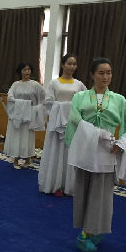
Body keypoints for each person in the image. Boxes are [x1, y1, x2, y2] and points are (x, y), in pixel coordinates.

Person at [65, 58, 126, 252]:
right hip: (86, 149)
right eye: (101, 73)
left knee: (102, 194)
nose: (106, 77)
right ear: (92, 75)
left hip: (107, 151)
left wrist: (122, 144)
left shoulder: (119, 100)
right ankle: (84, 233)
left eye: (109, 72)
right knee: (83, 189)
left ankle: (95, 229)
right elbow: (74, 119)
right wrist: (96, 134)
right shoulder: (80, 97)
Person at [38, 53, 87, 196]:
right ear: (63, 65)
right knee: (56, 152)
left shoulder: (79, 84)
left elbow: (84, 103)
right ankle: (54, 184)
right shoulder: (54, 83)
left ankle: (68, 185)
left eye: (74, 64)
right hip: (57, 124)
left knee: (69, 152)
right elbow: (48, 102)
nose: (72, 67)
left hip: (72, 124)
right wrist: (63, 107)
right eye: (69, 63)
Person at [4, 62, 46, 169]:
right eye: (24, 70)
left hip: (28, 115)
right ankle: (16, 159)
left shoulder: (35, 84)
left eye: (28, 69)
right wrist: (20, 103)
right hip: (17, 115)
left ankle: (28, 159)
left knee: (28, 137)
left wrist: (36, 108)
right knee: (16, 136)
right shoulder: (15, 84)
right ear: (20, 72)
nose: (27, 72)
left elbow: (43, 96)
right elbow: (10, 97)